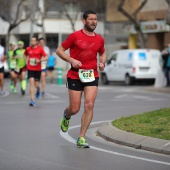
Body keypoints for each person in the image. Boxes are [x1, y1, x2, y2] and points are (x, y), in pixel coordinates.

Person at [56, 10, 106, 148]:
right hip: (75, 75)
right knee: (75, 108)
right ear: (84, 21)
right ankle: (66, 115)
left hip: (92, 74)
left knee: (89, 104)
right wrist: (71, 60)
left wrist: (102, 63)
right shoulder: (74, 36)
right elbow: (59, 50)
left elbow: (103, 52)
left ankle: (81, 137)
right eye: (90, 19)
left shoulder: (99, 39)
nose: (93, 22)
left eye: (95, 19)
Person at [24, 36, 47, 106]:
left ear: (37, 42)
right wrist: (26, 62)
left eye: (33, 41)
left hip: (38, 69)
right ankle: (32, 100)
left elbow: (46, 57)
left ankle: (38, 90)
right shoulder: (28, 49)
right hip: (30, 69)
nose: (32, 42)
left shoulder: (40, 49)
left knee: (36, 85)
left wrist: (39, 60)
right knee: (31, 83)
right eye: (31, 41)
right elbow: (25, 55)